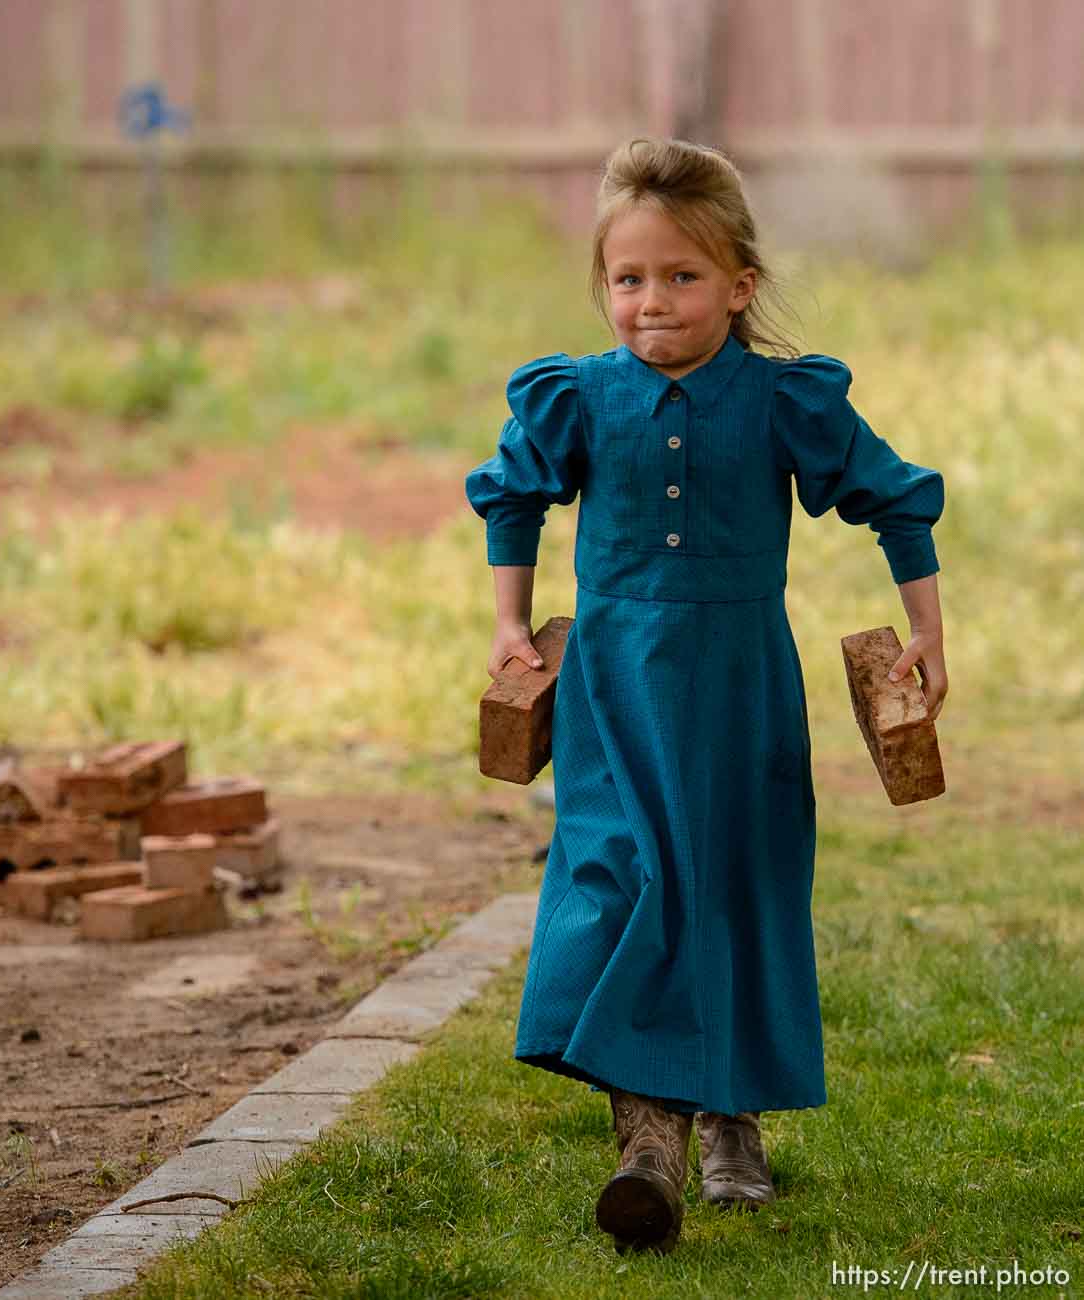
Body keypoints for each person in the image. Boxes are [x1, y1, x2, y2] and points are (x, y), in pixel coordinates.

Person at [464, 137, 948, 1255]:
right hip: (611, 693)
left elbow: (894, 497)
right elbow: (511, 497)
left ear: (739, 284)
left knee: (730, 886)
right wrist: (506, 618)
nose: (651, 303)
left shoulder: (781, 400)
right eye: (627, 279)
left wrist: (926, 629)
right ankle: (647, 1146)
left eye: (680, 278)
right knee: (614, 881)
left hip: (738, 693)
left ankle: (733, 1119)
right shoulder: (577, 397)